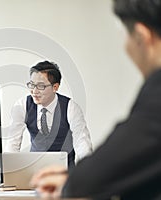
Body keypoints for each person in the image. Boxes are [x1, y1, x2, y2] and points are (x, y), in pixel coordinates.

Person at [30, 0, 161, 199]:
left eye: (125, 34)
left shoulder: (157, 92)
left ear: (142, 36)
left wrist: (72, 181)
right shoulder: (22, 107)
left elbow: (114, 158)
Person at [6, 61, 92, 168]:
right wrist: (11, 172)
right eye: (32, 85)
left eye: (41, 86)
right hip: (34, 173)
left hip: (65, 173)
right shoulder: (22, 105)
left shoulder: (70, 107)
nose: (34, 91)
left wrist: (87, 173)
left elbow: (82, 144)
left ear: (55, 87)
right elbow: (12, 143)